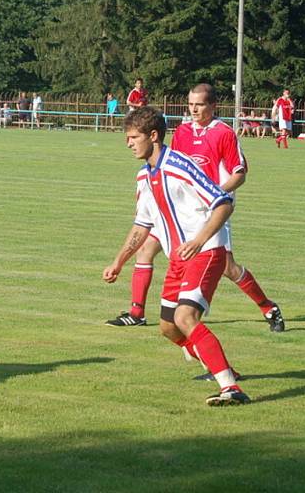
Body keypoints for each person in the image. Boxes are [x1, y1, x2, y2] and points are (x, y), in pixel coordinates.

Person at [106, 84, 285, 334]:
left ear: (213, 106)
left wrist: (211, 195)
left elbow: (239, 173)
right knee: (145, 249)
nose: (193, 109)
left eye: (199, 104)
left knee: (227, 268)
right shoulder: (182, 132)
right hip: (178, 211)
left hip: (210, 211)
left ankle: (268, 307)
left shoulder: (224, 133)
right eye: (190, 104)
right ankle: (137, 313)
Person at [103, 106, 250, 406]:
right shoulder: (144, 176)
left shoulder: (180, 166)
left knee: (185, 317)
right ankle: (222, 367)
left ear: (153, 136)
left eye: (133, 137)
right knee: (169, 328)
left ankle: (230, 388)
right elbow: (142, 224)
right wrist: (119, 261)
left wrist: (199, 240)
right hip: (179, 259)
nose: (128, 143)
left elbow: (223, 202)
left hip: (206, 252)